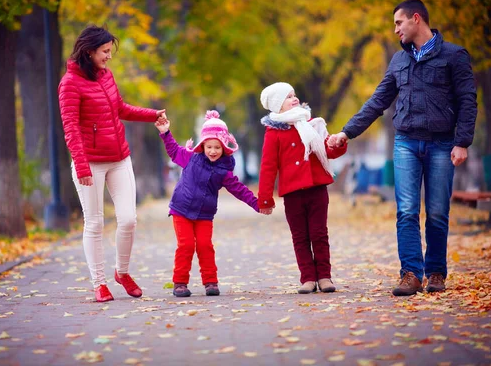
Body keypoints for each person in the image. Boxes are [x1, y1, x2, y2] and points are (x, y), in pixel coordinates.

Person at [328, 0, 477, 296]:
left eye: (399, 22)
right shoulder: (399, 60)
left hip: (441, 143)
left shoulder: (453, 56)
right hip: (406, 142)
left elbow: (467, 101)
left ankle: (435, 273)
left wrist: (462, 141)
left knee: (436, 211)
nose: (395, 29)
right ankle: (410, 274)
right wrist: (347, 132)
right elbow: (378, 102)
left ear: (416, 19)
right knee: (407, 210)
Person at [58, 25, 167, 302]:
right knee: (94, 223)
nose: (109, 56)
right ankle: (99, 283)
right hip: (90, 164)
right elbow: (70, 127)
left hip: (119, 158)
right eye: (105, 51)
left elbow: (121, 109)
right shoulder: (69, 84)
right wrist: (81, 166)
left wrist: (152, 115)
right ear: (89, 51)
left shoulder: (106, 76)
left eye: (110, 51)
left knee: (129, 219)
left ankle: (122, 271)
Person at [155, 110, 261, 297]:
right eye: (209, 146)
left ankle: (210, 282)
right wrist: (165, 133)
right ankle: (180, 283)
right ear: (202, 145)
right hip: (182, 209)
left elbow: (238, 189)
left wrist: (257, 203)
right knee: (186, 245)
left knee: (205, 246)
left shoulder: (224, 171)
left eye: (217, 147)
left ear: (224, 149)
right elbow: (173, 150)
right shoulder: (190, 157)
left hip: (204, 214)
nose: (213, 151)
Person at [258, 83, 347, 294]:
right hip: (292, 193)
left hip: (317, 188)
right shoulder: (273, 132)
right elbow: (268, 166)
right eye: (288, 97)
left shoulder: (312, 124)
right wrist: (264, 198)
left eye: (294, 95)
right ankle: (307, 277)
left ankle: (324, 276)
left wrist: (336, 144)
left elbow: (328, 151)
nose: (294, 98)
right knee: (300, 236)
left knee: (319, 233)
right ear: (278, 106)